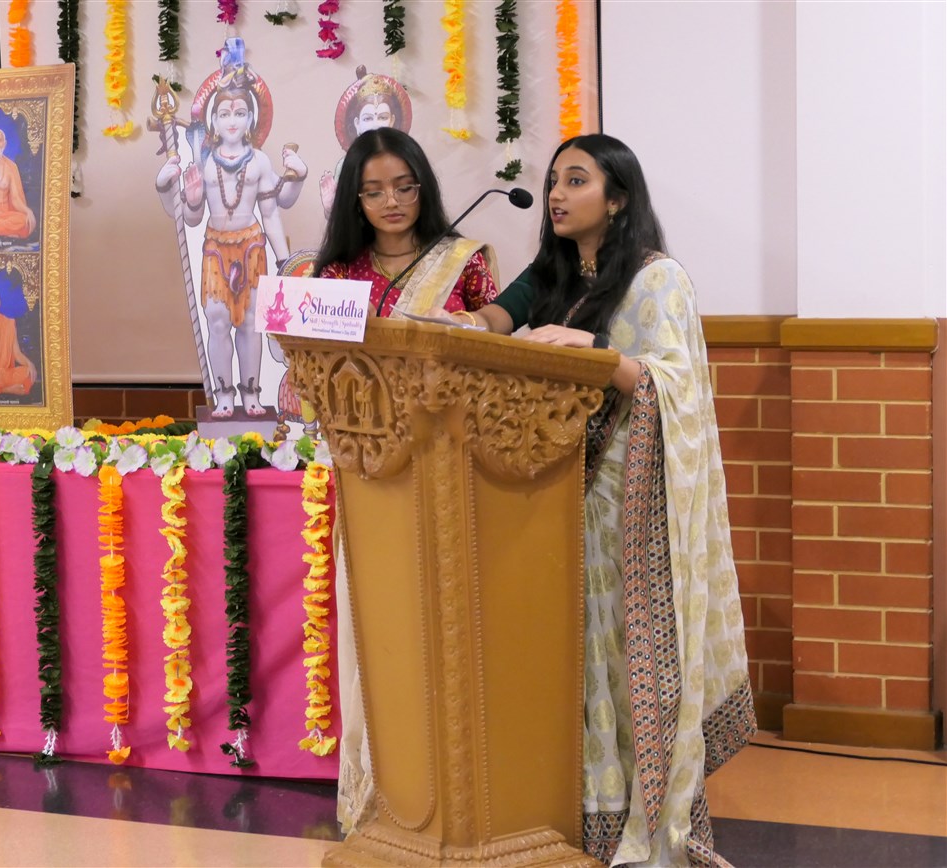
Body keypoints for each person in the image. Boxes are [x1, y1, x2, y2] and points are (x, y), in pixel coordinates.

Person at [437, 133, 757, 864]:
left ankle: (638, 820)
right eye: (554, 180)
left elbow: (676, 385)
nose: (556, 193)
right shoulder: (552, 274)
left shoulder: (657, 278)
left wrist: (600, 355)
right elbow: (493, 323)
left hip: (628, 504)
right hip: (549, 497)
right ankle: (569, 816)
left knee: (619, 659)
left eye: (576, 180)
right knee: (566, 659)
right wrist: (451, 320)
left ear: (617, 199)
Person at [155, 45, 306, 419]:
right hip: (216, 249)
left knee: (252, 323)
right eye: (224, 114)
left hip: (251, 247)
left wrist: (285, 261)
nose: (232, 121)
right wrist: (174, 191)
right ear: (214, 120)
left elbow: (273, 210)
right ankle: (224, 396)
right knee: (218, 321)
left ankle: (251, 394)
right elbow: (189, 218)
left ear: (251, 117)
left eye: (240, 113)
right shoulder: (204, 163)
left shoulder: (259, 161)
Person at [314, 128, 498, 319]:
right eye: (374, 193)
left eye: (405, 188)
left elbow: (495, 331)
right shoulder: (340, 272)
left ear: (424, 189)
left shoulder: (463, 261)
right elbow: (318, 336)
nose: (392, 202)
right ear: (356, 201)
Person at [319, 67, 412, 217]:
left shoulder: (407, 158)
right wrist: (332, 208)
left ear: (392, 121)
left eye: (382, 117)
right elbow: (343, 220)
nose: (375, 125)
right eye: (368, 118)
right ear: (357, 124)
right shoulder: (346, 165)